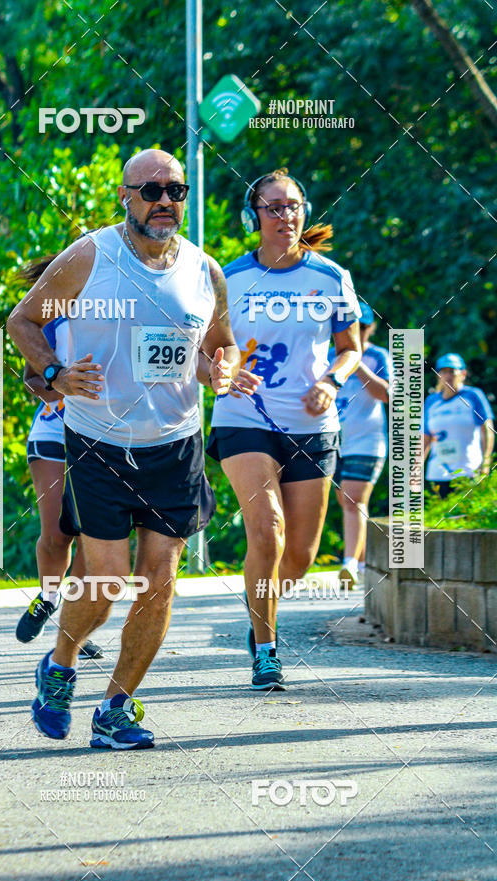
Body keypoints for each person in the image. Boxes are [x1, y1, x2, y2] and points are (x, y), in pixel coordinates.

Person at [7, 148, 240, 749]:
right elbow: (23, 322)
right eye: (152, 189)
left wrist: (222, 369)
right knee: (107, 582)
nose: (166, 200)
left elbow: (222, 342)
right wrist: (55, 374)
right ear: (125, 196)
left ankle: (116, 706)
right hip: (99, 441)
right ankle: (59, 666)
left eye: (177, 190)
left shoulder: (204, 270)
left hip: (175, 443)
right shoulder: (91, 256)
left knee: (160, 580)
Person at [207, 168, 361, 691]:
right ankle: (267, 649)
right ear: (254, 217)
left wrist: (333, 382)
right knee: (266, 530)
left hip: (313, 425)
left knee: (300, 553)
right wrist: (222, 372)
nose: (284, 216)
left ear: (304, 212)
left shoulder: (331, 278)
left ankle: (261, 614)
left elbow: (351, 348)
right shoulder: (229, 279)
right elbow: (204, 352)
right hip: (243, 415)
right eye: (272, 207)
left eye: (292, 206)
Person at [15, 310, 102, 659]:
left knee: (92, 539)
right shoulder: (55, 322)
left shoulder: (126, 315)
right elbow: (31, 380)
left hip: (102, 439)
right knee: (56, 535)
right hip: (53, 433)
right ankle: (49, 598)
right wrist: (61, 386)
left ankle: (72, 630)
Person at [332, 302, 393, 589]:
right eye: (354, 326)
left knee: (353, 499)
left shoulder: (379, 355)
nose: (359, 332)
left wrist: (357, 366)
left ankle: (349, 565)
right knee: (346, 501)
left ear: (371, 328)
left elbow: (388, 395)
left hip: (367, 441)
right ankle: (365, 560)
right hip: (333, 439)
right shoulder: (329, 354)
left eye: (365, 327)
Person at [424, 352, 494, 497]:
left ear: (462, 373)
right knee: (440, 516)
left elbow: (487, 429)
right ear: (438, 375)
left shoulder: (473, 396)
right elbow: (425, 437)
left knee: (465, 516)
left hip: (468, 470)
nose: (448, 376)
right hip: (438, 472)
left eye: (452, 371)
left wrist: (486, 460)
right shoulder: (432, 401)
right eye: (444, 372)